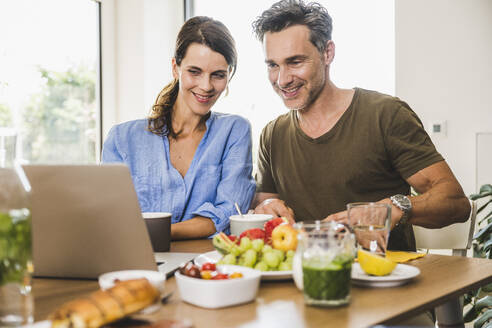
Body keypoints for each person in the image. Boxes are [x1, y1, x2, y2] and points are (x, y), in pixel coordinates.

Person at [251, 0, 470, 251]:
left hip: (384, 278)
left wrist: (392, 209)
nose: (282, 79)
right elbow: (267, 211)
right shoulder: (272, 135)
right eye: (272, 65)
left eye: (295, 62)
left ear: (327, 53)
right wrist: (265, 210)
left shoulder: (385, 115)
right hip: (306, 280)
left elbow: (455, 202)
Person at [102, 16, 255, 240]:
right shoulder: (122, 139)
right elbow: (111, 216)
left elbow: (228, 213)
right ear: (176, 68)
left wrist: (155, 232)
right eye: (195, 71)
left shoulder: (234, 131)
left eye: (218, 75)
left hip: (206, 267)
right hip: (139, 263)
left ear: (229, 75)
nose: (206, 86)